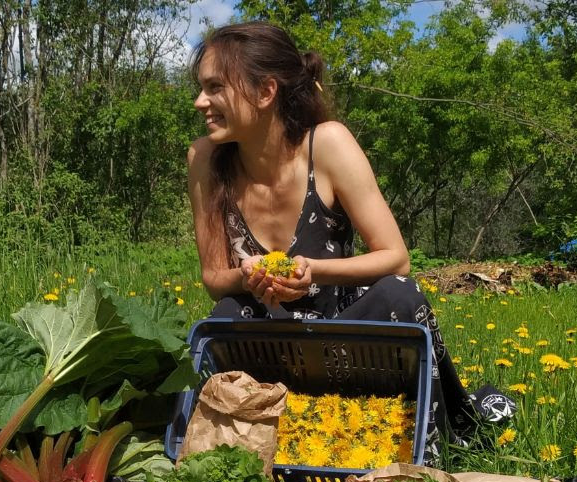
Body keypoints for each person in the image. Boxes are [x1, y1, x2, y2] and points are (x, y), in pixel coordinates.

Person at [186, 21, 514, 458]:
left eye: (215, 88)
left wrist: (314, 271)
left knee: (401, 295)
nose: (200, 102)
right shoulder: (206, 159)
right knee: (225, 312)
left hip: (343, 342)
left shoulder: (328, 144)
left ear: (265, 92)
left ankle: (426, 447)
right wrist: (248, 277)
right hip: (268, 345)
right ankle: (249, 445)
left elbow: (396, 258)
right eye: (201, 88)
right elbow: (213, 277)